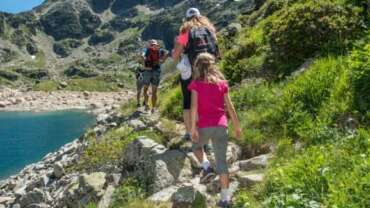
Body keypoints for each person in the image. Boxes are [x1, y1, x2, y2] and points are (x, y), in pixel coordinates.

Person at [189, 53, 241, 208]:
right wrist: (237, 126)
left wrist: (192, 128)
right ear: (212, 65)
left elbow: (193, 108)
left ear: (197, 66)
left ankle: (206, 166)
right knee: (222, 163)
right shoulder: (222, 84)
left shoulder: (196, 85)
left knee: (196, 146)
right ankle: (225, 199)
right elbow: (230, 108)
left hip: (204, 126)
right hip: (221, 126)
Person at [172, 8, 220, 141]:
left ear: (187, 19)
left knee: (188, 103)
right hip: (210, 70)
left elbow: (175, 55)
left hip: (192, 72)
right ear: (200, 16)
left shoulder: (185, 31)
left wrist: (177, 55)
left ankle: (190, 133)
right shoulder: (210, 29)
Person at [141, 39, 168, 113]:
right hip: (156, 71)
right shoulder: (160, 50)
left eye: (154, 45)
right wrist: (162, 61)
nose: (153, 46)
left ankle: (147, 105)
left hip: (148, 71)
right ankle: (153, 108)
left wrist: (144, 66)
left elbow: (142, 56)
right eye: (153, 45)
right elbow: (167, 53)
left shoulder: (146, 50)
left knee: (145, 88)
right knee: (154, 91)